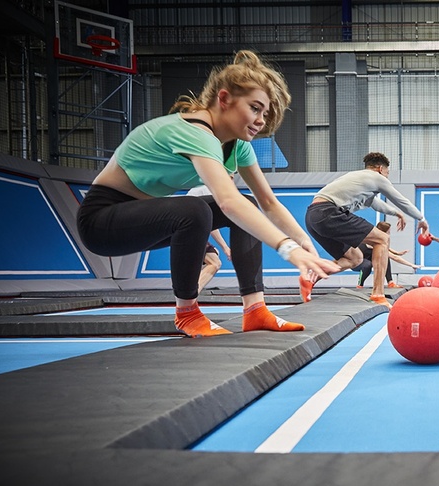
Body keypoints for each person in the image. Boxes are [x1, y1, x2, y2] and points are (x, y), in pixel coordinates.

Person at [76, 50, 340, 338]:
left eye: (264, 112)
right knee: (196, 210)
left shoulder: (237, 145)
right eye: (255, 108)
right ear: (224, 99)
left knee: (247, 204)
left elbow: (268, 202)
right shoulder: (193, 133)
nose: (262, 119)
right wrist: (288, 250)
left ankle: (255, 310)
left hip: (145, 218)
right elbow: (227, 202)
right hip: (102, 222)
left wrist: (305, 247)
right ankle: (187, 313)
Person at [303, 152, 429, 307]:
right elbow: (401, 200)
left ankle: (311, 277)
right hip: (329, 212)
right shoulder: (376, 177)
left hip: (312, 217)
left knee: (354, 258)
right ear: (380, 169)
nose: (387, 177)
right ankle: (378, 294)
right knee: (383, 239)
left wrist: (396, 213)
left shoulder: (358, 178)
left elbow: (375, 203)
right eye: (387, 173)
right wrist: (421, 219)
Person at [187, 184, 232, 293]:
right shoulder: (206, 191)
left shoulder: (210, 191)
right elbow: (210, 226)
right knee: (214, 263)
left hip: (190, 232)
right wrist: (225, 247)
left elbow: (209, 224)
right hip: (186, 232)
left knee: (214, 254)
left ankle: (188, 290)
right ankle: (189, 295)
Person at [355, 222, 421, 288]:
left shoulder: (378, 238)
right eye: (388, 232)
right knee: (368, 265)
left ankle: (390, 282)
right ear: (383, 233)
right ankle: (360, 285)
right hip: (356, 263)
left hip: (367, 258)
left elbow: (386, 249)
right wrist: (411, 265)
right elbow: (395, 257)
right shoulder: (372, 240)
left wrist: (397, 252)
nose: (389, 234)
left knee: (385, 258)